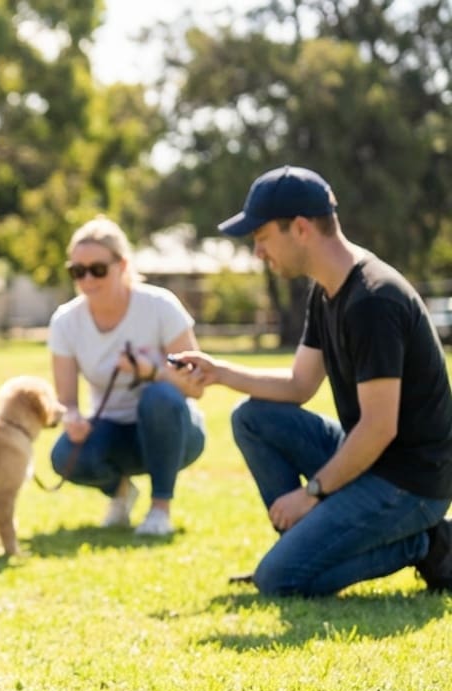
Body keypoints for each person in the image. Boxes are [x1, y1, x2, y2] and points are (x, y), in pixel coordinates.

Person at [175, 165, 452, 596]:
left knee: (278, 581)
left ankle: (424, 541)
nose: (258, 253)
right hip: (368, 459)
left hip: (410, 482)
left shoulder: (373, 301)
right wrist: (221, 373)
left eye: (262, 238)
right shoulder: (327, 290)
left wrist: (313, 495)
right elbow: (299, 385)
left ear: (300, 228)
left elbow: (380, 427)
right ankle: (304, 548)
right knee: (252, 417)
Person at [46, 215, 207, 537]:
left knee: (158, 396)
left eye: (98, 269)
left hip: (176, 432)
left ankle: (160, 510)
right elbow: (66, 401)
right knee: (64, 455)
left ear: (122, 265)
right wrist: (73, 419)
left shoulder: (160, 306)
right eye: (77, 271)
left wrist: (152, 372)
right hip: (112, 430)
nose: (87, 279)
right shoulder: (66, 321)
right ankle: (121, 493)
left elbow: (196, 385)